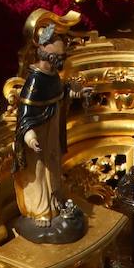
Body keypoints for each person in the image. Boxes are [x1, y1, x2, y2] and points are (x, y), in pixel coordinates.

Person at [12, 25, 83, 243]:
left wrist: (74, 93)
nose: (63, 61)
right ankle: (40, 210)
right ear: (48, 57)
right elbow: (24, 116)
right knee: (38, 172)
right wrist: (30, 137)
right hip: (37, 138)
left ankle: (55, 203)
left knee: (53, 165)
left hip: (51, 132)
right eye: (60, 57)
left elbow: (59, 95)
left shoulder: (52, 75)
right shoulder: (35, 81)